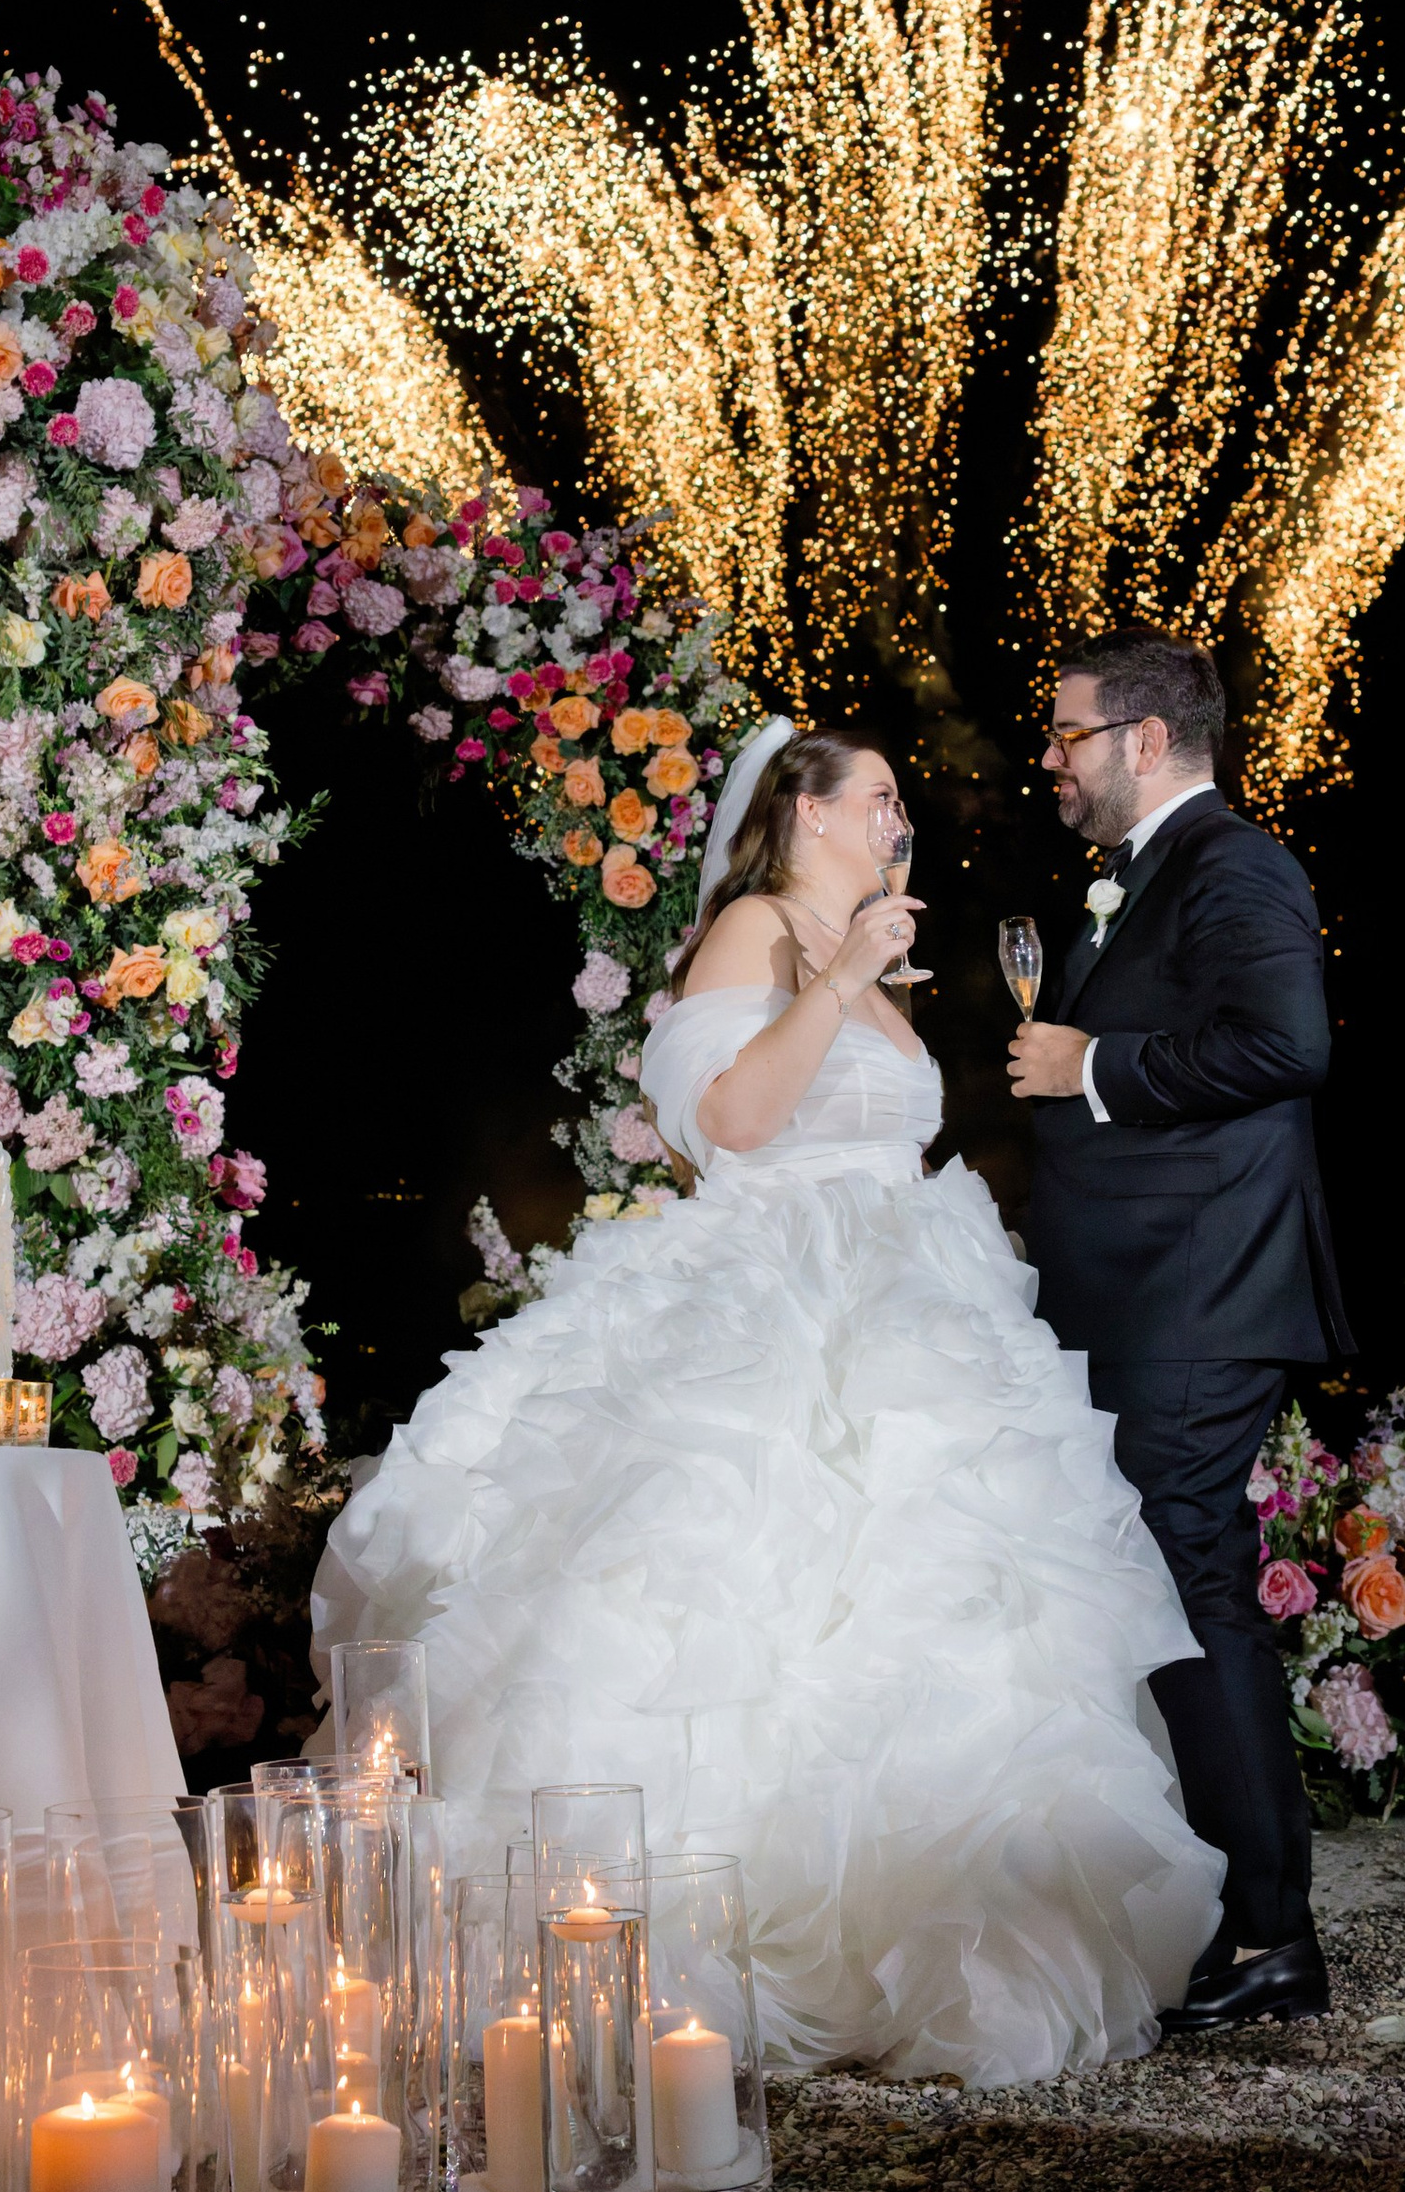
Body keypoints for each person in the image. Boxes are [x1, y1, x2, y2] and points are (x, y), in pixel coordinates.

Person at [310, 721, 1223, 2088]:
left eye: (904, 800)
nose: (900, 819)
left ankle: (925, 1926)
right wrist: (837, 977)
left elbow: (890, 1125)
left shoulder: (873, 959)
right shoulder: (751, 931)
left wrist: (866, 978)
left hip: (910, 1295)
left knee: (933, 1603)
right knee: (731, 1596)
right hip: (768, 1294)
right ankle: (693, 1932)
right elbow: (730, 1120)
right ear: (801, 809)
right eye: (880, 797)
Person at [1008, 626, 1350, 2036]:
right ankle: (1237, 1916)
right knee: (1177, 1593)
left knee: (1199, 1593)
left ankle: (1272, 1933)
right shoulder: (1138, 879)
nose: (1051, 757)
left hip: (1201, 1299)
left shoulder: (1236, 865)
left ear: (1146, 741)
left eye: (1069, 733)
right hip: (1150, 1295)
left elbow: (1290, 1042)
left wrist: (1095, 1062)